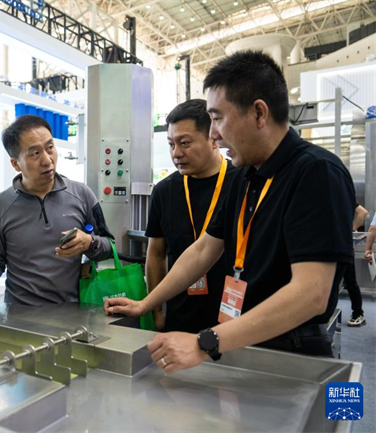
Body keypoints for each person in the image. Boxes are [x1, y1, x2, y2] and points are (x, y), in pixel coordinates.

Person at [105, 50, 355, 373]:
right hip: (243, 342)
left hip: (293, 354)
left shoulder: (316, 173)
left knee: (335, 407)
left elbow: (311, 294)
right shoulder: (245, 177)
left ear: (259, 113)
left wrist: (204, 342)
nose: (213, 134)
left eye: (218, 118)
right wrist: (146, 304)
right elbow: (202, 251)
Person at [0, 114, 113, 305]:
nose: (47, 160)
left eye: (50, 148)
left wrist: (89, 243)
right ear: (15, 164)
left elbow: (110, 246)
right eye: (35, 153)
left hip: (73, 313)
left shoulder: (82, 195)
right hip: (19, 315)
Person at [145, 99, 239, 333]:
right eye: (171, 144)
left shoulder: (242, 182)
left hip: (235, 317)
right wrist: (156, 311)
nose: (176, 153)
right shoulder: (164, 191)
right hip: (180, 316)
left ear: (214, 139)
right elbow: (156, 254)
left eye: (185, 143)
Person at [344, 204, 368, 327]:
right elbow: (362, 212)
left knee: (349, 281)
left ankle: (358, 313)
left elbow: (363, 212)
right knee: (350, 282)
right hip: (342, 244)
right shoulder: (344, 197)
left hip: (339, 244)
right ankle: (358, 314)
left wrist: (351, 230)